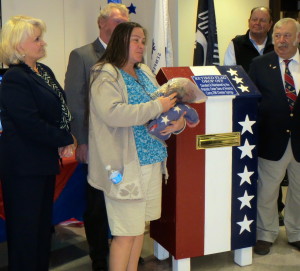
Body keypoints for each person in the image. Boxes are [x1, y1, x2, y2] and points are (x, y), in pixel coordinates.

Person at [88, 21, 185, 270]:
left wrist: (177, 124)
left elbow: (163, 107)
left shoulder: (143, 71)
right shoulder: (105, 73)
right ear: (120, 41)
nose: (141, 45)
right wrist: (157, 107)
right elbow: (113, 113)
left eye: (143, 40)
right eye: (135, 40)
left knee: (137, 229)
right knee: (124, 234)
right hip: (125, 165)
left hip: (152, 160)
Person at [0, 15, 76, 271]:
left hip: (43, 164)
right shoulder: (14, 78)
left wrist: (66, 135)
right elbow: (29, 123)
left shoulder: (43, 71)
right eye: (37, 39)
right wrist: (65, 139)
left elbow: (61, 109)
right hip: (23, 169)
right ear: (19, 46)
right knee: (25, 234)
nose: (43, 43)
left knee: (42, 230)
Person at [64, 3, 129, 270]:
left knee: (124, 201)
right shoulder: (82, 55)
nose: (123, 27)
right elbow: (75, 102)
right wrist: (83, 141)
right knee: (98, 206)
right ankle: (100, 258)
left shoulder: (130, 56)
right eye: (117, 22)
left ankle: (123, 253)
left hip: (125, 143)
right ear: (101, 24)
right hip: (97, 146)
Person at [248, 18, 300, 255]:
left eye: (287, 36)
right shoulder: (259, 64)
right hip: (271, 139)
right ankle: (265, 234)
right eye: (278, 35)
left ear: (297, 38)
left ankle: (296, 232)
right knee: (267, 191)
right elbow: (251, 103)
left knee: (299, 192)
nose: (281, 40)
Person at [224, 6, 273, 73]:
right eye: (254, 19)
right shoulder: (236, 44)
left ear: (270, 24)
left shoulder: (276, 45)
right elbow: (229, 72)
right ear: (249, 22)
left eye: (262, 20)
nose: (257, 23)